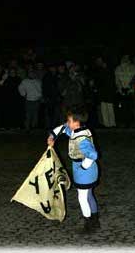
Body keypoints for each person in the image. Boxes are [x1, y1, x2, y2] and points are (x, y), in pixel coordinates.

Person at [47, 106, 100, 235]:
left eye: (69, 120)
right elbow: (63, 128)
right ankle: (95, 220)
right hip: (89, 170)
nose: (67, 122)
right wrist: (52, 137)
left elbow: (93, 155)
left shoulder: (81, 139)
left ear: (76, 122)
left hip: (84, 171)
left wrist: (83, 167)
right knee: (89, 195)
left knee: (82, 197)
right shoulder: (79, 130)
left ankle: (89, 224)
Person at [115, 55, 135, 127]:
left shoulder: (133, 68)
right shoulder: (118, 68)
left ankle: (131, 122)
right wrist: (120, 89)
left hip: (130, 90)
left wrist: (131, 89)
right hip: (122, 90)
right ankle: (123, 122)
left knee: (130, 107)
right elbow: (117, 80)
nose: (126, 59)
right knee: (122, 107)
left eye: (127, 58)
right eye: (124, 57)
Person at [94, 56, 116, 128]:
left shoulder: (109, 70)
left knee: (109, 108)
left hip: (108, 92)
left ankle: (112, 124)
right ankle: (106, 124)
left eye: (99, 61)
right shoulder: (99, 70)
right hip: (102, 93)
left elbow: (111, 82)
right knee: (104, 108)